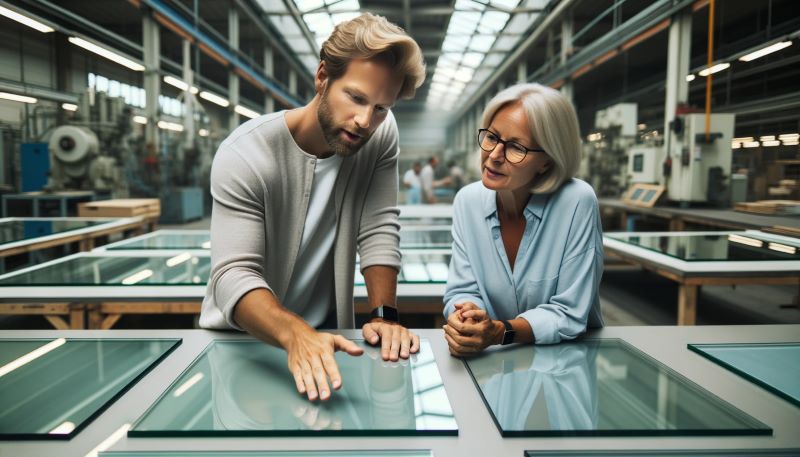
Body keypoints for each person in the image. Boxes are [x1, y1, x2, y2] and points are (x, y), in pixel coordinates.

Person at [201, 13, 427, 402]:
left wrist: (384, 316)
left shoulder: (380, 135)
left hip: (330, 341)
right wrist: (295, 335)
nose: (364, 121)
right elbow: (234, 275)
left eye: (380, 108)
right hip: (244, 346)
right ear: (323, 77)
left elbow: (378, 229)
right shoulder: (245, 154)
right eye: (355, 98)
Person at [442, 83, 604, 356]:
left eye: (516, 147)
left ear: (547, 161)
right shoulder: (467, 202)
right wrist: (467, 314)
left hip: (565, 365)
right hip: (492, 365)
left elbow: (569, 313)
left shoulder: (577, 201)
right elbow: (462, 289)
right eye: (492, 137)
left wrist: (499, 332)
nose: (494, 156)